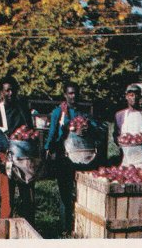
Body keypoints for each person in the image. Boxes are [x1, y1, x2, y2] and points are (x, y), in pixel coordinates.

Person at [0, 75, 35, 225]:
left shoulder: (22, 109)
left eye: (13, 90)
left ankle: (30, 231)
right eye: (7, 91)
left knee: (28, 198)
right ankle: (3, 233)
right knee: (7, 199)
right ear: (1, 92)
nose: (10, 93)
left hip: (23, 157)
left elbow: (30, 131)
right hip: (4, 157)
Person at [45, 81, 92, 237]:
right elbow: (52, 133)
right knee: (65, 194)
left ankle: (80, 226)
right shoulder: (59, 112)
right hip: (64, 158)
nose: (74, 96)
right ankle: (65, 229)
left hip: (81, 158)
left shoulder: (82, 113)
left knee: (80, 192)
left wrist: (87, 128)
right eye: (70, 93)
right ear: (65, 95)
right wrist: (48, 149)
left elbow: (93, 129)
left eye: (75, 93)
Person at [113, 84, 142, 166]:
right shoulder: (120, 115)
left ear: (140, 97)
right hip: (126, 159)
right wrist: (119, 140)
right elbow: (116, 135)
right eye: (131, 95)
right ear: (126, 97)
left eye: (137, 95)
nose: (134, 97)